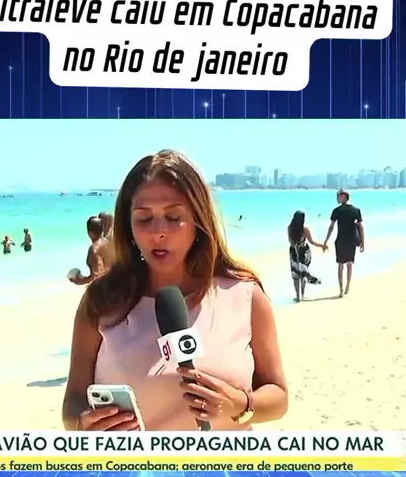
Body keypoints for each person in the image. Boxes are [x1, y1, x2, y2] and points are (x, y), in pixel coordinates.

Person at [63, 149, 288, 432]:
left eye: (173, 216)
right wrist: (83, 425)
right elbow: (73, 403)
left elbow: (278, 397)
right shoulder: (101, 301)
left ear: (198, 218)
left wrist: (240, 405)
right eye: (144, 218)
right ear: (128, 225)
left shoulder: (244, 295)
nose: (159, 231)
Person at [324, 189, 364, 297]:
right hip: (351, 241)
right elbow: (361, 227)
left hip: (340, 240)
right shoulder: (356, 210)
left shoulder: (336, 211)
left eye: (339, 196)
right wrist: (363, 241)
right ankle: (347, 287)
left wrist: (326, 241)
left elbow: (331, 227)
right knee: (349, 264)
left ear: (343, 197)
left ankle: (341, 289)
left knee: (340, 265)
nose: (337, 198)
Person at [288, 211, 326, 302]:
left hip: (293, 252)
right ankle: (302, 294)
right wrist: (322, 246)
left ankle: (298, 297)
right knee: (303, 273)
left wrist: (295, 248)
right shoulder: (305, 229)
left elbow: (290, 241)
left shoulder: (290, 228)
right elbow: (311, 241)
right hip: (303, 252)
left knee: (295, 274)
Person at [70, 215, 114, 286]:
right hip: (114, 283)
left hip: (105, 287)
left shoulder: (94, 249)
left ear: (89, 232)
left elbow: (98, 274)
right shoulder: (109, 244)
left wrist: (80, 281)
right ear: (102, 229)